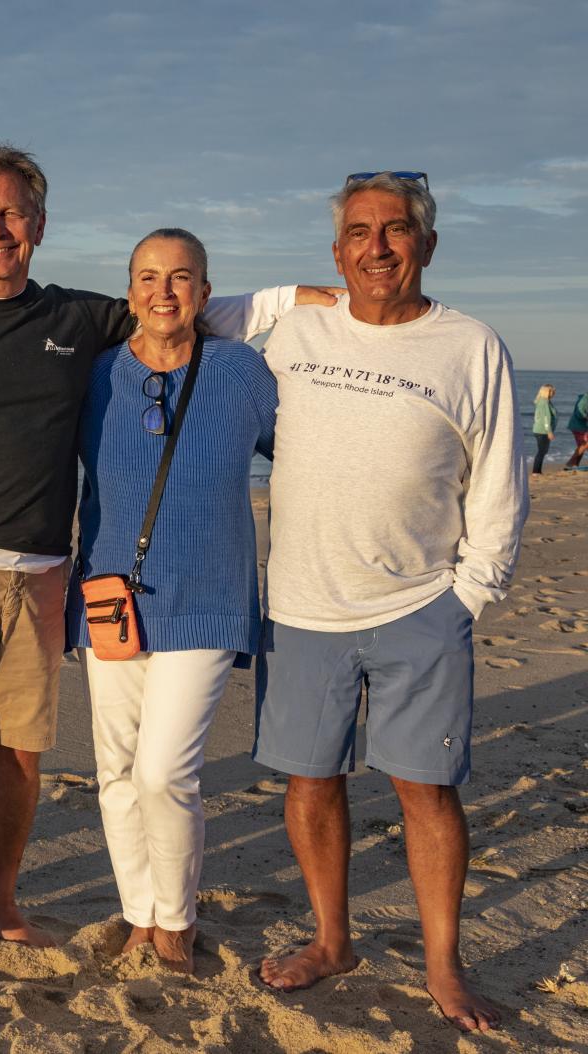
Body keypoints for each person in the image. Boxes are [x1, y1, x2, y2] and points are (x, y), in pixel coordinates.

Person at [0, 142, 337, 980]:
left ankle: (10, 904)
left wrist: (298, 302)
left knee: (24, 757)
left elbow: (191, 320)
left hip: (51, 574)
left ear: (39, 226)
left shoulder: (81, 323)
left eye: (12, 213)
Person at [253, 172, 528, 1032]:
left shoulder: (470, 345)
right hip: (302, 605)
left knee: (426, 790)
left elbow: (499, 481)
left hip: (422, 606)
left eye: (398, 229)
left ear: (428, 245)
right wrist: (289, 292)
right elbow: (180, 302)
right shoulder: (294, 332)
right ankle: (334, 939)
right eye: (361, 232)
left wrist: (469, 597)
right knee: (311, 782)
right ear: (337, 253)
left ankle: (444, 964)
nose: (379, 246)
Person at [66, 229, 276, 975]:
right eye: (149, 278)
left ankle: (177, 919)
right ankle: (139, 912)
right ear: (129, 296)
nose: (164, 292)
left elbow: (307, 456)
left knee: (163, 772)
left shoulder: (243, 372)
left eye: (181, 277)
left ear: (205, 293)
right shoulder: (96, 377)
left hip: (208, 597)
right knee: (115, 771)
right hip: (108, 599)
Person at [532, 384, 557, 474]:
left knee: (543, 451)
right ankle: (535, 472)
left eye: (553, 391)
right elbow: (546, 418)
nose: (553, 393)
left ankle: (538, 471)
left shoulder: (544, 401)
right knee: (541, 451)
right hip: (542, 431)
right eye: (551, 391)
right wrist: (549, 432)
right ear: (546, 392)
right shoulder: (544, 402)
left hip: (541, 430)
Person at [565, 390, 588, 469]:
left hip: (580, 426)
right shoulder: (585, 399)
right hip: (578, 426)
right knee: (584, 445)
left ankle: (574, 465)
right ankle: (571, 463)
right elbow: (579, 412)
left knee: (582, 445)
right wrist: (586, 417)